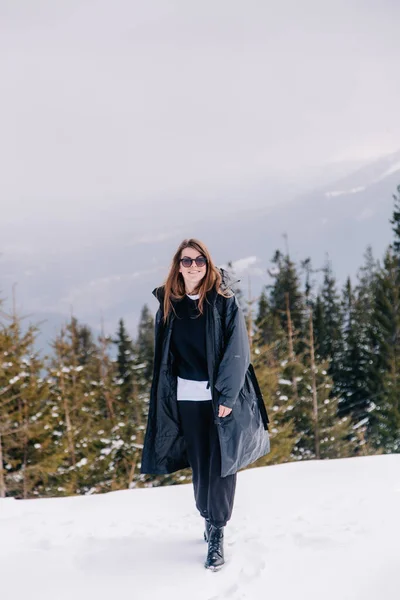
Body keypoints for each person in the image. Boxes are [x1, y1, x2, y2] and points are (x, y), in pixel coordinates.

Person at [140, 238, 270, 571]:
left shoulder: (223, 301)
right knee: (200, 464)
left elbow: (237, 351)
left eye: (200, 260)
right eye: (187, 261)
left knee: (222, 465)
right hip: (187, 399)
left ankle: (217, 531)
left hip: (220, 401)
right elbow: (165, 359)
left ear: (208, 264)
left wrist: (226, 397)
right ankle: (207, 517)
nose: (194, 266)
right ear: (178, 266)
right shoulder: (169, 304)